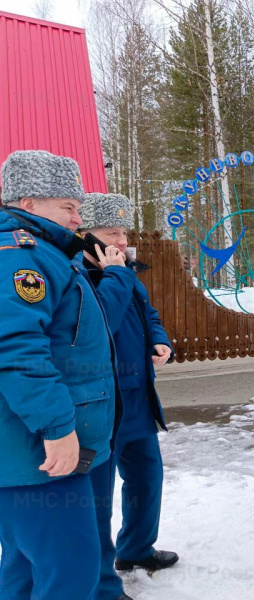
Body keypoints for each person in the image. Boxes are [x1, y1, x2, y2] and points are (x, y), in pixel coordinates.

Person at [0, 150, 120, 599]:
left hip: (34, 453)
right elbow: (16, 350)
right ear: (29, 203)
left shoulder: (48, 253)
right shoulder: (20, 257)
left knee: (26, 569)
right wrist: (57, 428)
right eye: (68, 206)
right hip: (39, 453)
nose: (77, 217)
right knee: (69, 574)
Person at [78, 193, 179, 577]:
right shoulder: (79, 277)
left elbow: (147, 312)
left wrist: (160, 338)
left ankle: (136, 548)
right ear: (86, 235)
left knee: (147, 478)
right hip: (100, 403)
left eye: (123, 231)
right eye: (110, 232)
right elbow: (101, 321)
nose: (121, 241)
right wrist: (116, 274)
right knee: (97, 497)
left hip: (137, 398)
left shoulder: (126, 272)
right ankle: (101, 577)